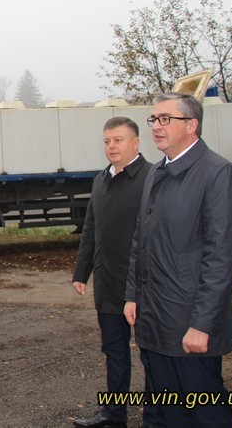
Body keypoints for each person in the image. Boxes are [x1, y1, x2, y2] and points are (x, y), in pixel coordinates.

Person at [124, 92, 232, 427]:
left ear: (192, 125)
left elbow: (221, 258)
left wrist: (202, 324)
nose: (156, 127)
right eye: (154, 119)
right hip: (155, 321)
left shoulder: (218, 174)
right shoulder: (156, 173)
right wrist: (132, 294)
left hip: (189, 327)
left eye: (166, 119)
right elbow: (141, 239)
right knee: (165, 412)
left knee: (205, 414)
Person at [71, 118, 149, 428]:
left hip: (144, 286)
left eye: (118, 140)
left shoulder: (152, 178)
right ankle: (113, 416)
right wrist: (82, 271)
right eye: (107, 141)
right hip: (108, 284)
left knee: (153, 356)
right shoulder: (100, 181)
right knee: (115, 353)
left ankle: (160, 416)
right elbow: (91, 228)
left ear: (136, 143)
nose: (111, 147)